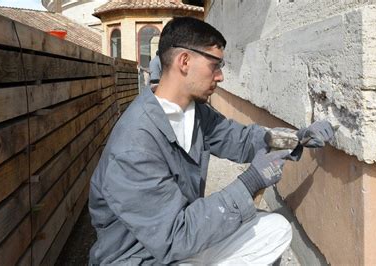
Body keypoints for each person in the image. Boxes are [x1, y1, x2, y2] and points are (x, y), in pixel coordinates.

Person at [88, 16, 334, 265]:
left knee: (275, 229)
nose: (220, 77)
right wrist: (251, 182)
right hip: (141, 257)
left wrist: (296, 138)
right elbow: (174, 237)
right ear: (184, 61)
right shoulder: (134, 145)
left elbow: (240, 138)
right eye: (215, 65)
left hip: (182, 241)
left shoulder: (193, 112)